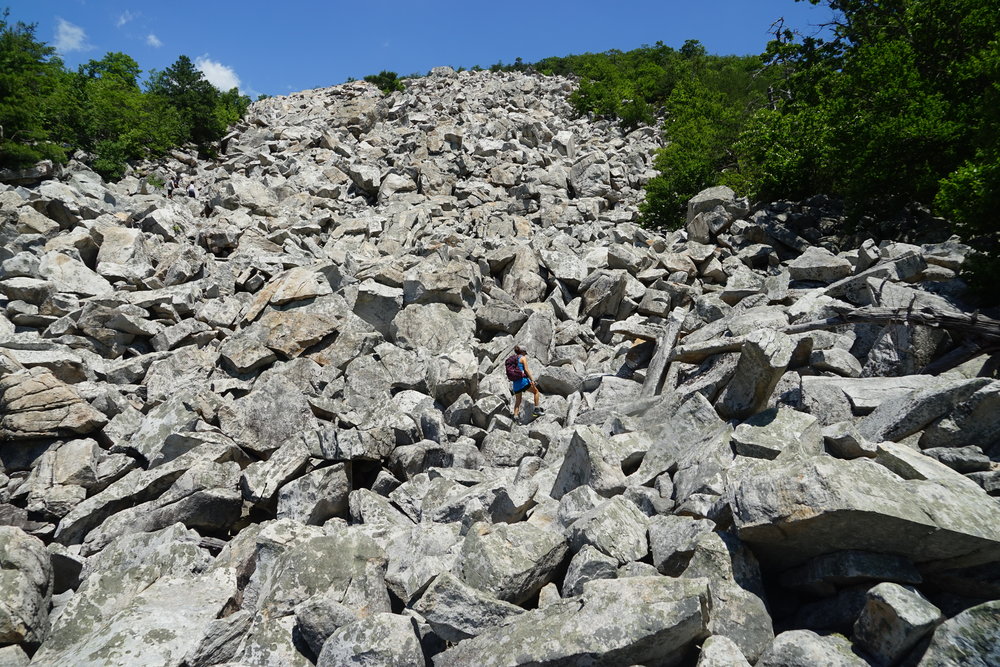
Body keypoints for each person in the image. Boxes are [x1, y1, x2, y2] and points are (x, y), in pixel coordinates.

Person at [509, 345, 543, 419]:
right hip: (523, 382)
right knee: (536, 392)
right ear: (523, 352)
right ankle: (537, 409)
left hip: (515, 384)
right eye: (525, 353)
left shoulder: (513, 359)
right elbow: (526, 370)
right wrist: (532, 380)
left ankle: (515, 417)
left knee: (518, 401)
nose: (525, 355)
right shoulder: (523, 358)